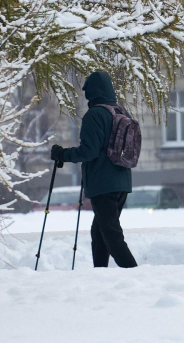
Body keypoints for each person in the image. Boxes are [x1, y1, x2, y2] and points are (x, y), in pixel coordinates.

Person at [51, 72, 138, 268]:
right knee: (100, 232)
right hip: (122, 182)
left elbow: (88, 152)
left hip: (103, 184)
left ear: (93, 91)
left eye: (87, 92)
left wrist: (63, 154)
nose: (86, 96)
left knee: (112, 235)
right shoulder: (122, 112)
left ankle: (133, 272)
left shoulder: (95, 115)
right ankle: (100, 272)